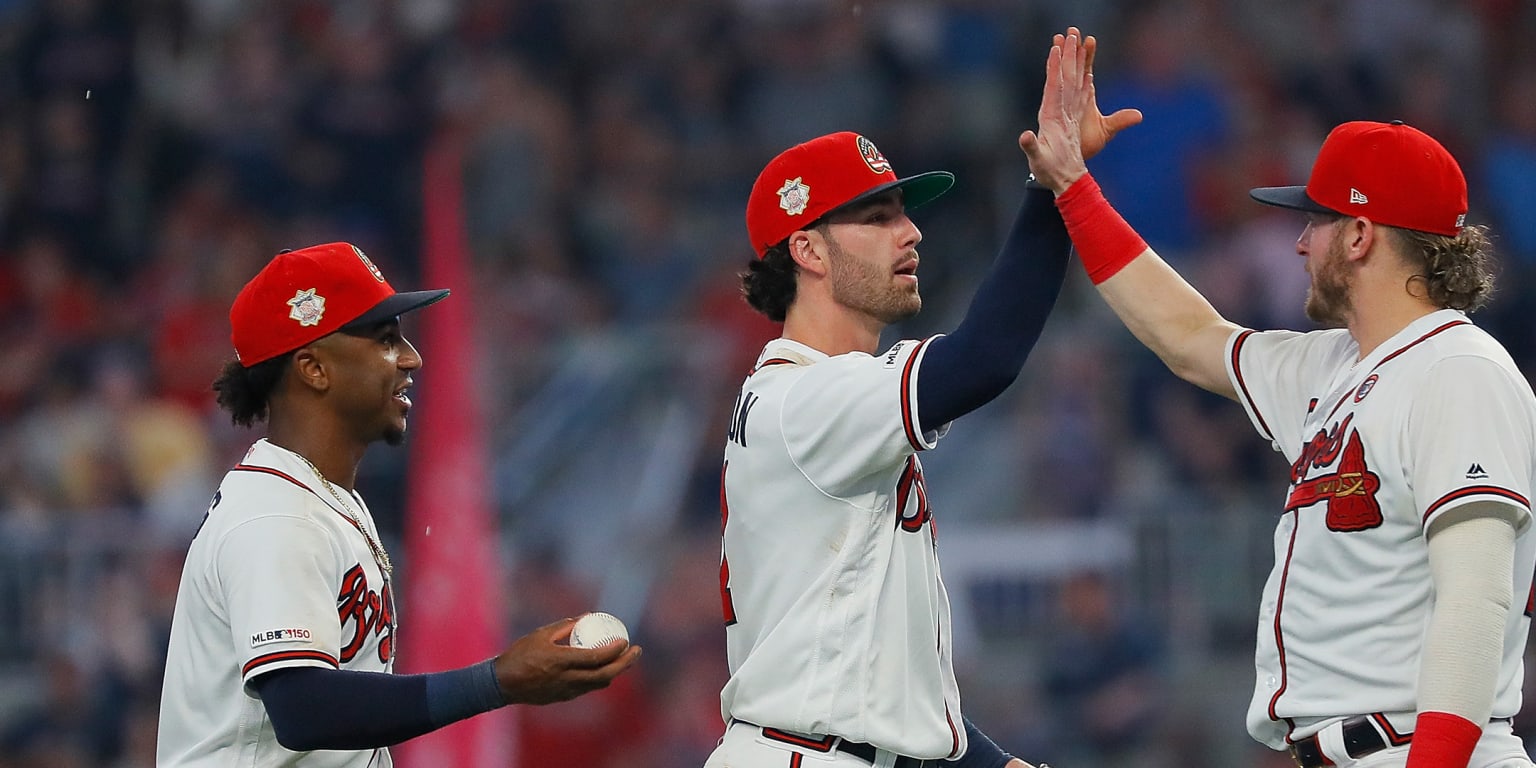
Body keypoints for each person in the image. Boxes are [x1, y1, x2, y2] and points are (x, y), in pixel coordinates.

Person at [1022, 27, 1536, 768]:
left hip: (1420, 751)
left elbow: (1475, 599)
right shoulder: (1333, 365)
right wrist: (1074, 187)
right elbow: (1191, 336)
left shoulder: (1460, 371)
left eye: (1315, 220)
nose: (1300, 243)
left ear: (1361, 234)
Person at [705, 30, 1141, 768]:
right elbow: (985, 359)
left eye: (904, 212)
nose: (910, 232)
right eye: (876, 218)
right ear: (808, 250)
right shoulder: (809, 397)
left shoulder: (819, 404)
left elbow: (877, 691)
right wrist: (1054, 188)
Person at [156, 242, 642, 766]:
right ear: (314, 369)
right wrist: (498, 682)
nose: (412, 357)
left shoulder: (318, 498)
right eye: (386, 340)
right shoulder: (277, 515)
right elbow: (303, 708)